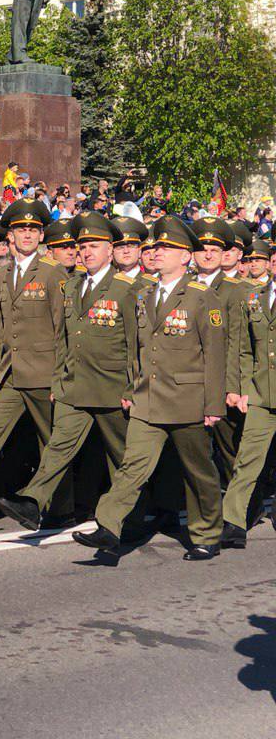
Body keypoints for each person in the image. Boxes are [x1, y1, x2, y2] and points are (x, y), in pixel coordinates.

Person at [74, 215, 226, 561]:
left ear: (186, 256)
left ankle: (207, 533)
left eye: (167, 248)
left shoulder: (203, 298)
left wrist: (213, 404)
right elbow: (137, 348)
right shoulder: (143, 294)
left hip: (188, 398)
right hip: (148, 397)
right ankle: (108, 526)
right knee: (132, 465)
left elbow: (216, 355)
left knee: (198, 470)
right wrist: (131, 387)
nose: (157, 253)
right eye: (155, 247)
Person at [0, 214, 140, 532]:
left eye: (93, 246)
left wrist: (133, 390)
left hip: (112, 388)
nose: (86, 251)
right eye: (82, 246)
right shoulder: (73, 285)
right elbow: (65, 337)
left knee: (122, 458)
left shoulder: (127, 289)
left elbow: (137, 345)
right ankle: (32, 501)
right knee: (59, 446)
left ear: (110, 250)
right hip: (75, 387)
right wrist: (59, 379)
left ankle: (131, 516)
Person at [0, 198, 72, 522]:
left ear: (42, 236)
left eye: (33, 229)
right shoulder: (2, 273)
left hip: (44, 374)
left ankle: (59, 508)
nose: (27, 234)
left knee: (50, 441)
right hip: (10, 374)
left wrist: (61, 377)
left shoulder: (53, 272)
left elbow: (63, 330)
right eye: (20, 229)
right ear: (10, 236)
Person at [220, 242, 276, 548]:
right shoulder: (255, 297)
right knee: (246, 461)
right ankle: (234, 523)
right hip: (261, 395)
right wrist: (241, 388)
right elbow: (243, 349)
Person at [191, 216, 250, 490]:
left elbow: (237, 342)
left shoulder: (234, 289)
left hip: (222, 381)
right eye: (203, 249)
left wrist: (232, 386)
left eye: (215, 250)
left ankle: (243, 507)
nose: (208, 255)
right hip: (189, 381)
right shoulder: (185, 287)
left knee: (229, 450)